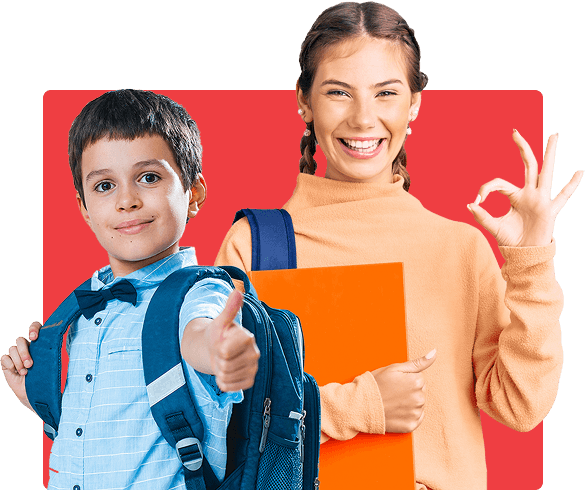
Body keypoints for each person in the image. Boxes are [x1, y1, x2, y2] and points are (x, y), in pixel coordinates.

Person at [213, 2, 584, 490]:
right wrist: (363, 406)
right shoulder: (256, 247)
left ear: (414, 105)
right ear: (303, 101)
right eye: (338, 93)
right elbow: (226, 422)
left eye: (386, 93)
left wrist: (532, 260)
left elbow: (520, 407)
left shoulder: (461, 249)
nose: (364, 118)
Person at [0, 89, 260, 490]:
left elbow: (200, 331)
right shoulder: (79, 311)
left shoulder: (200, 291)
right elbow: (107, 438)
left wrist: (220, 350)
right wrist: (42, 401)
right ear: (84, 208)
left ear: (194, 194)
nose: (127, 200)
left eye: (149, 177)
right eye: (104, 186)